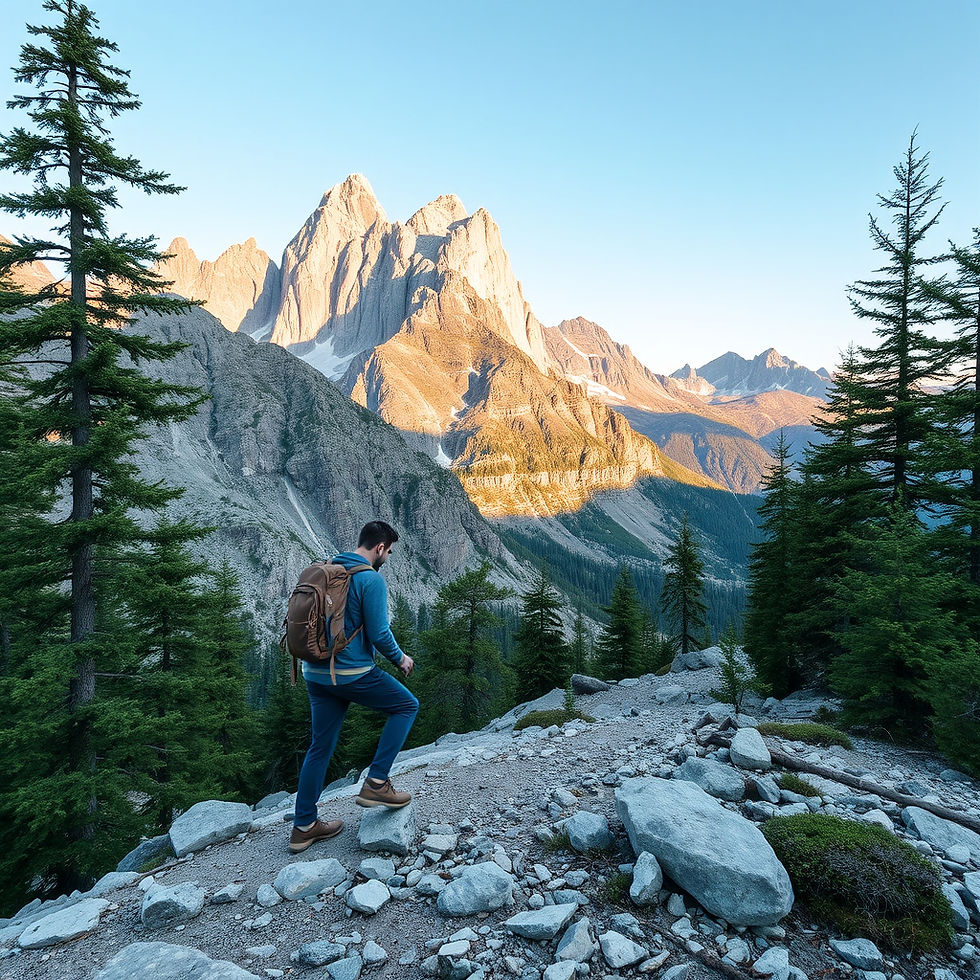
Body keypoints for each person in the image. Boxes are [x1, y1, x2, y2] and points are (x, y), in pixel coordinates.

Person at [289, 520, 419, 854]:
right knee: (406, 706)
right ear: (379, 548)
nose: (387, 557)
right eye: (388, 552)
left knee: (320, 746)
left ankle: (303, 826)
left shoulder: (330, 567)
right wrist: (401, 658)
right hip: (352, 674)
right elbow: (378, 633)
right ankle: (377, 782)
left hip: (315, 675)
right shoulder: (369, 579)